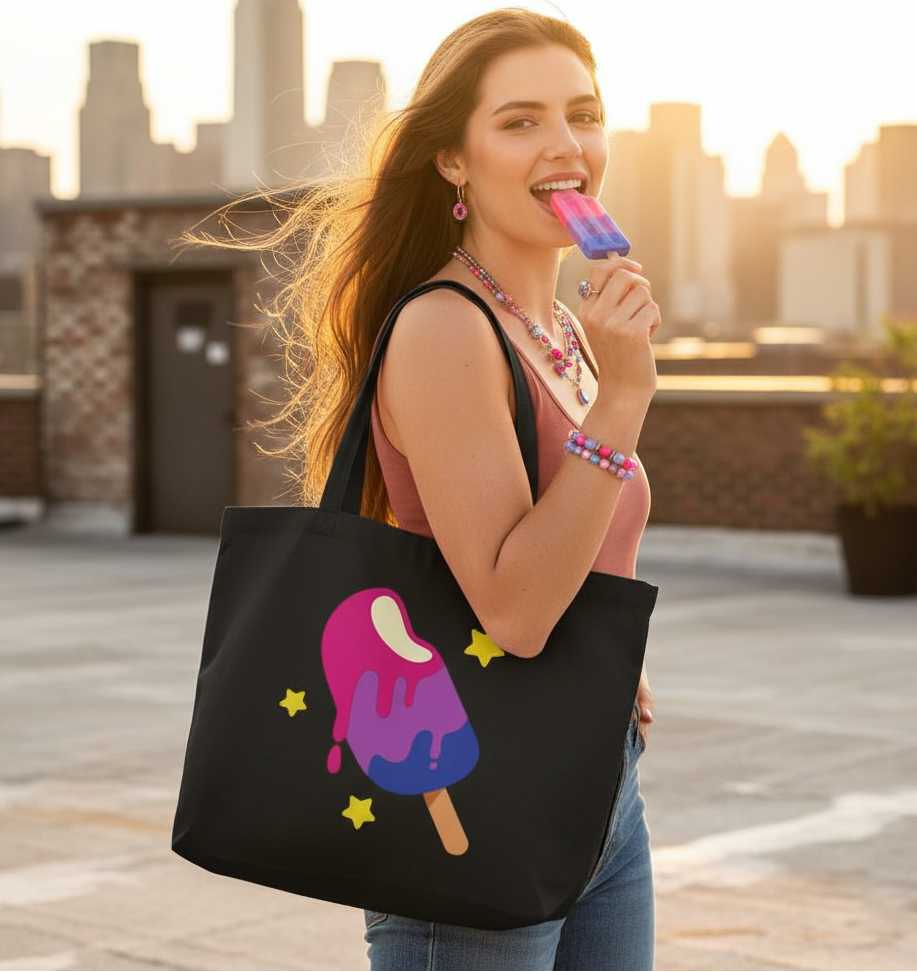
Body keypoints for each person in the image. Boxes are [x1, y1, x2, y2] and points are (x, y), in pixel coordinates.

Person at [254, 8, 660, 970]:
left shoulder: (560, 331)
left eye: (583, 114)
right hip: (474, 797)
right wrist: (623, 402)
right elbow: (515, 612)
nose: (566, 145)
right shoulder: (446, 328)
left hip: (603, 784)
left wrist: (609, 653)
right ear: (452, 160)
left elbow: (571, 555)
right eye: (520, 122)